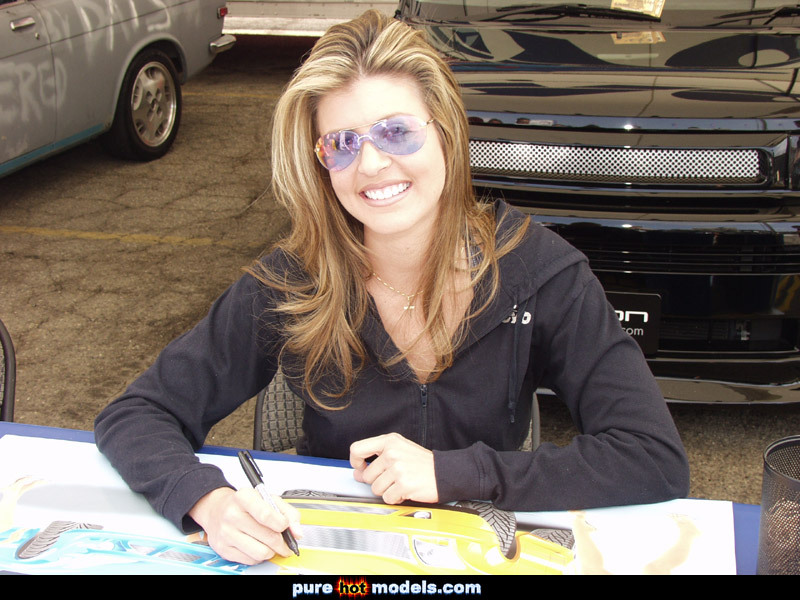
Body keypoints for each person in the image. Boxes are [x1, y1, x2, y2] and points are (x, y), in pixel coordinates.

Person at [94, 10, 690, 566]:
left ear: (446, 132)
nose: (372, 164)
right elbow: (138, 413)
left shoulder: (540, 271)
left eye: (397, 131)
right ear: (321, 164)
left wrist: (455, 474)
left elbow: (651, 455)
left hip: (479, 556)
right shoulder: (291, 282)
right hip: (334, 560)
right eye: (342, 143)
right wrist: (207, 499)